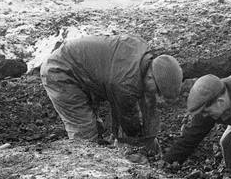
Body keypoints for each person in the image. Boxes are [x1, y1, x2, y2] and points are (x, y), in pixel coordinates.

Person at [40, 35, 182, 160]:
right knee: (85, 134)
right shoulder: (126, 82)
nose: (157, 97)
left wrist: (150, 139)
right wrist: (138, 144)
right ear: (151, 76)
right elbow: (127, 119)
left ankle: (101, 158)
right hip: (60, 71)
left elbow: (141, 105)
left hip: (85, 70)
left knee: (98, 129)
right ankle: (85, 173)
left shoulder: (142, 52)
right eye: (157, 91)